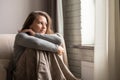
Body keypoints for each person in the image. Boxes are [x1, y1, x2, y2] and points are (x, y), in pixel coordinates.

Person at [7, 11, 80, 80]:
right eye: (40, 23)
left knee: (46, 46)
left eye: (46, 24)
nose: (44, 27)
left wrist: (35, 34)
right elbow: (37, 43)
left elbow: (59, 40)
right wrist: (56, 48)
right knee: (36, 49)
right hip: (22, 72)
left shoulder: (44, 36)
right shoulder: (21, 36)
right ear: (30, 24)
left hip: (46, 71)